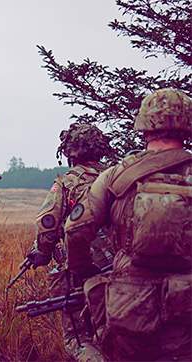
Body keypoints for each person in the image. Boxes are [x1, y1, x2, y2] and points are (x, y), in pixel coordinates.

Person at [64, 88, 192, 360]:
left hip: (130, 302)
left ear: (144, 127)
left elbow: (75, 230)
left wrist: (85, 272)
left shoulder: (116, 175)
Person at [26, 122, 114, 359]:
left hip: (82, 268)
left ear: (68, 152)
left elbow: (48, 226)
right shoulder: (117, 177)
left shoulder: (67, 183)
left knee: (78, 338)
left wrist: (41, 253)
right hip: (124, 267)